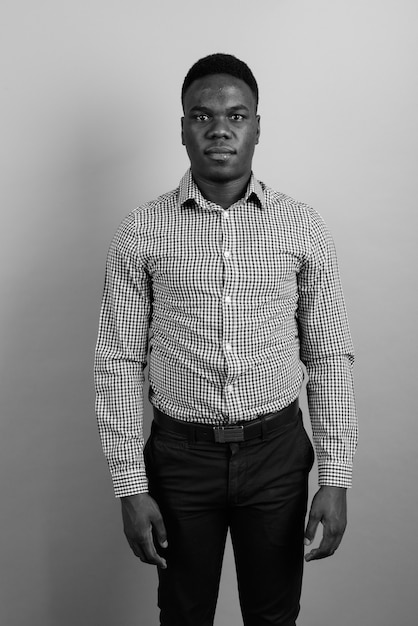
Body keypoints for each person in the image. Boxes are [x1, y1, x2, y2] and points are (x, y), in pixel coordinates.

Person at [95, 53, 358, 626]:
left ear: (258, 127)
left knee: (273, 616)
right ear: (183, 128)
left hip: (277, 455)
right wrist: (128, 487)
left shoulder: (302, 226)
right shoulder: (141, 230)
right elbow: (116, 361)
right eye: (202, 115)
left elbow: (328, 357)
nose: (219, 128)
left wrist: (335, 480)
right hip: (180, 459)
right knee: (184, 615)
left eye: (237, 116)